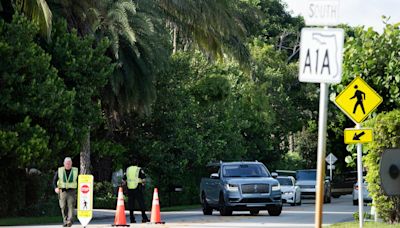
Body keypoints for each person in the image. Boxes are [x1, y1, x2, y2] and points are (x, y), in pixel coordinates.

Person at [53, 157, 78, 227]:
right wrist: (55, 188)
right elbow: (54, 180)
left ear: (71, 164)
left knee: (71, 206)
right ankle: (65, 221)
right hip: (62, 191)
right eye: (66, 163)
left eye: (69, 163)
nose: (68, 164)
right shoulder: (59, 170)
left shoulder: (75, 171)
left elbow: (79, 181)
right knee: (63, 207)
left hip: (72, 191)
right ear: (64, 163)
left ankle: (70, 220)